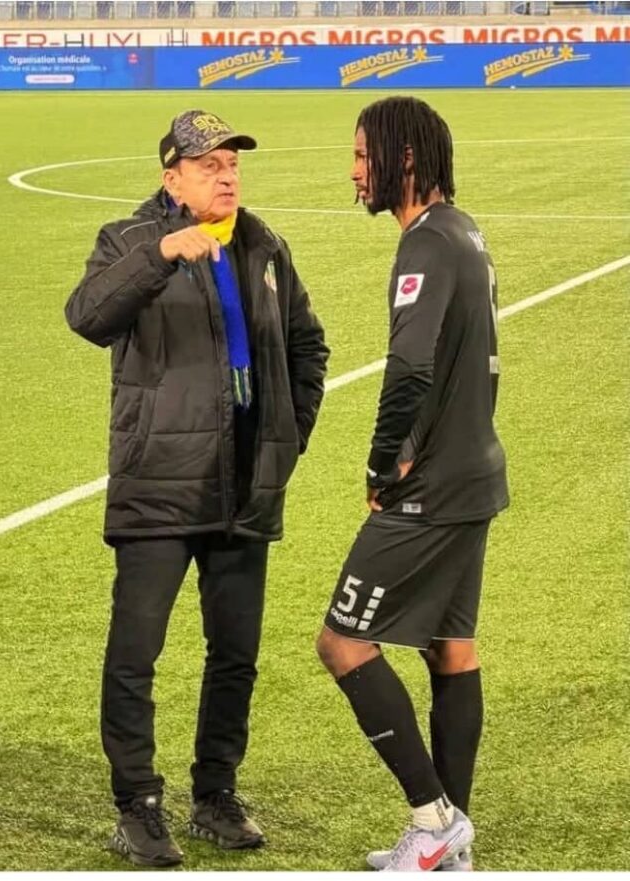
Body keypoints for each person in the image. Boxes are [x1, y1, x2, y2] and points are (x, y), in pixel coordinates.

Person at [65, 109, 328, 868]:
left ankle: (215, 794)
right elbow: (86, 316)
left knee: (235, 653)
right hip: (160, 480)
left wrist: (286, 438)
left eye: (233, 163)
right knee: (135, 653)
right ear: (172, 178)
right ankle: (138, 806)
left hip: (244, 485)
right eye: (210, 164)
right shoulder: (128, 239)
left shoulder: (263, 244)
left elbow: (307, 345)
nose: (227, 175)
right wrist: (159, 254)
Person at [316, 96, 509, 872]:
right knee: (449, 648)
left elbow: (410, 367)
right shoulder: (465, 231)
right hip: (475, 473)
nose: (354, 172)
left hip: (431, 485)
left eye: (363, 155)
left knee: (342, 641)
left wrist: (381, 463)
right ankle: (450, 840)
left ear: (402, 158)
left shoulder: (426, 242)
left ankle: (432, 821)